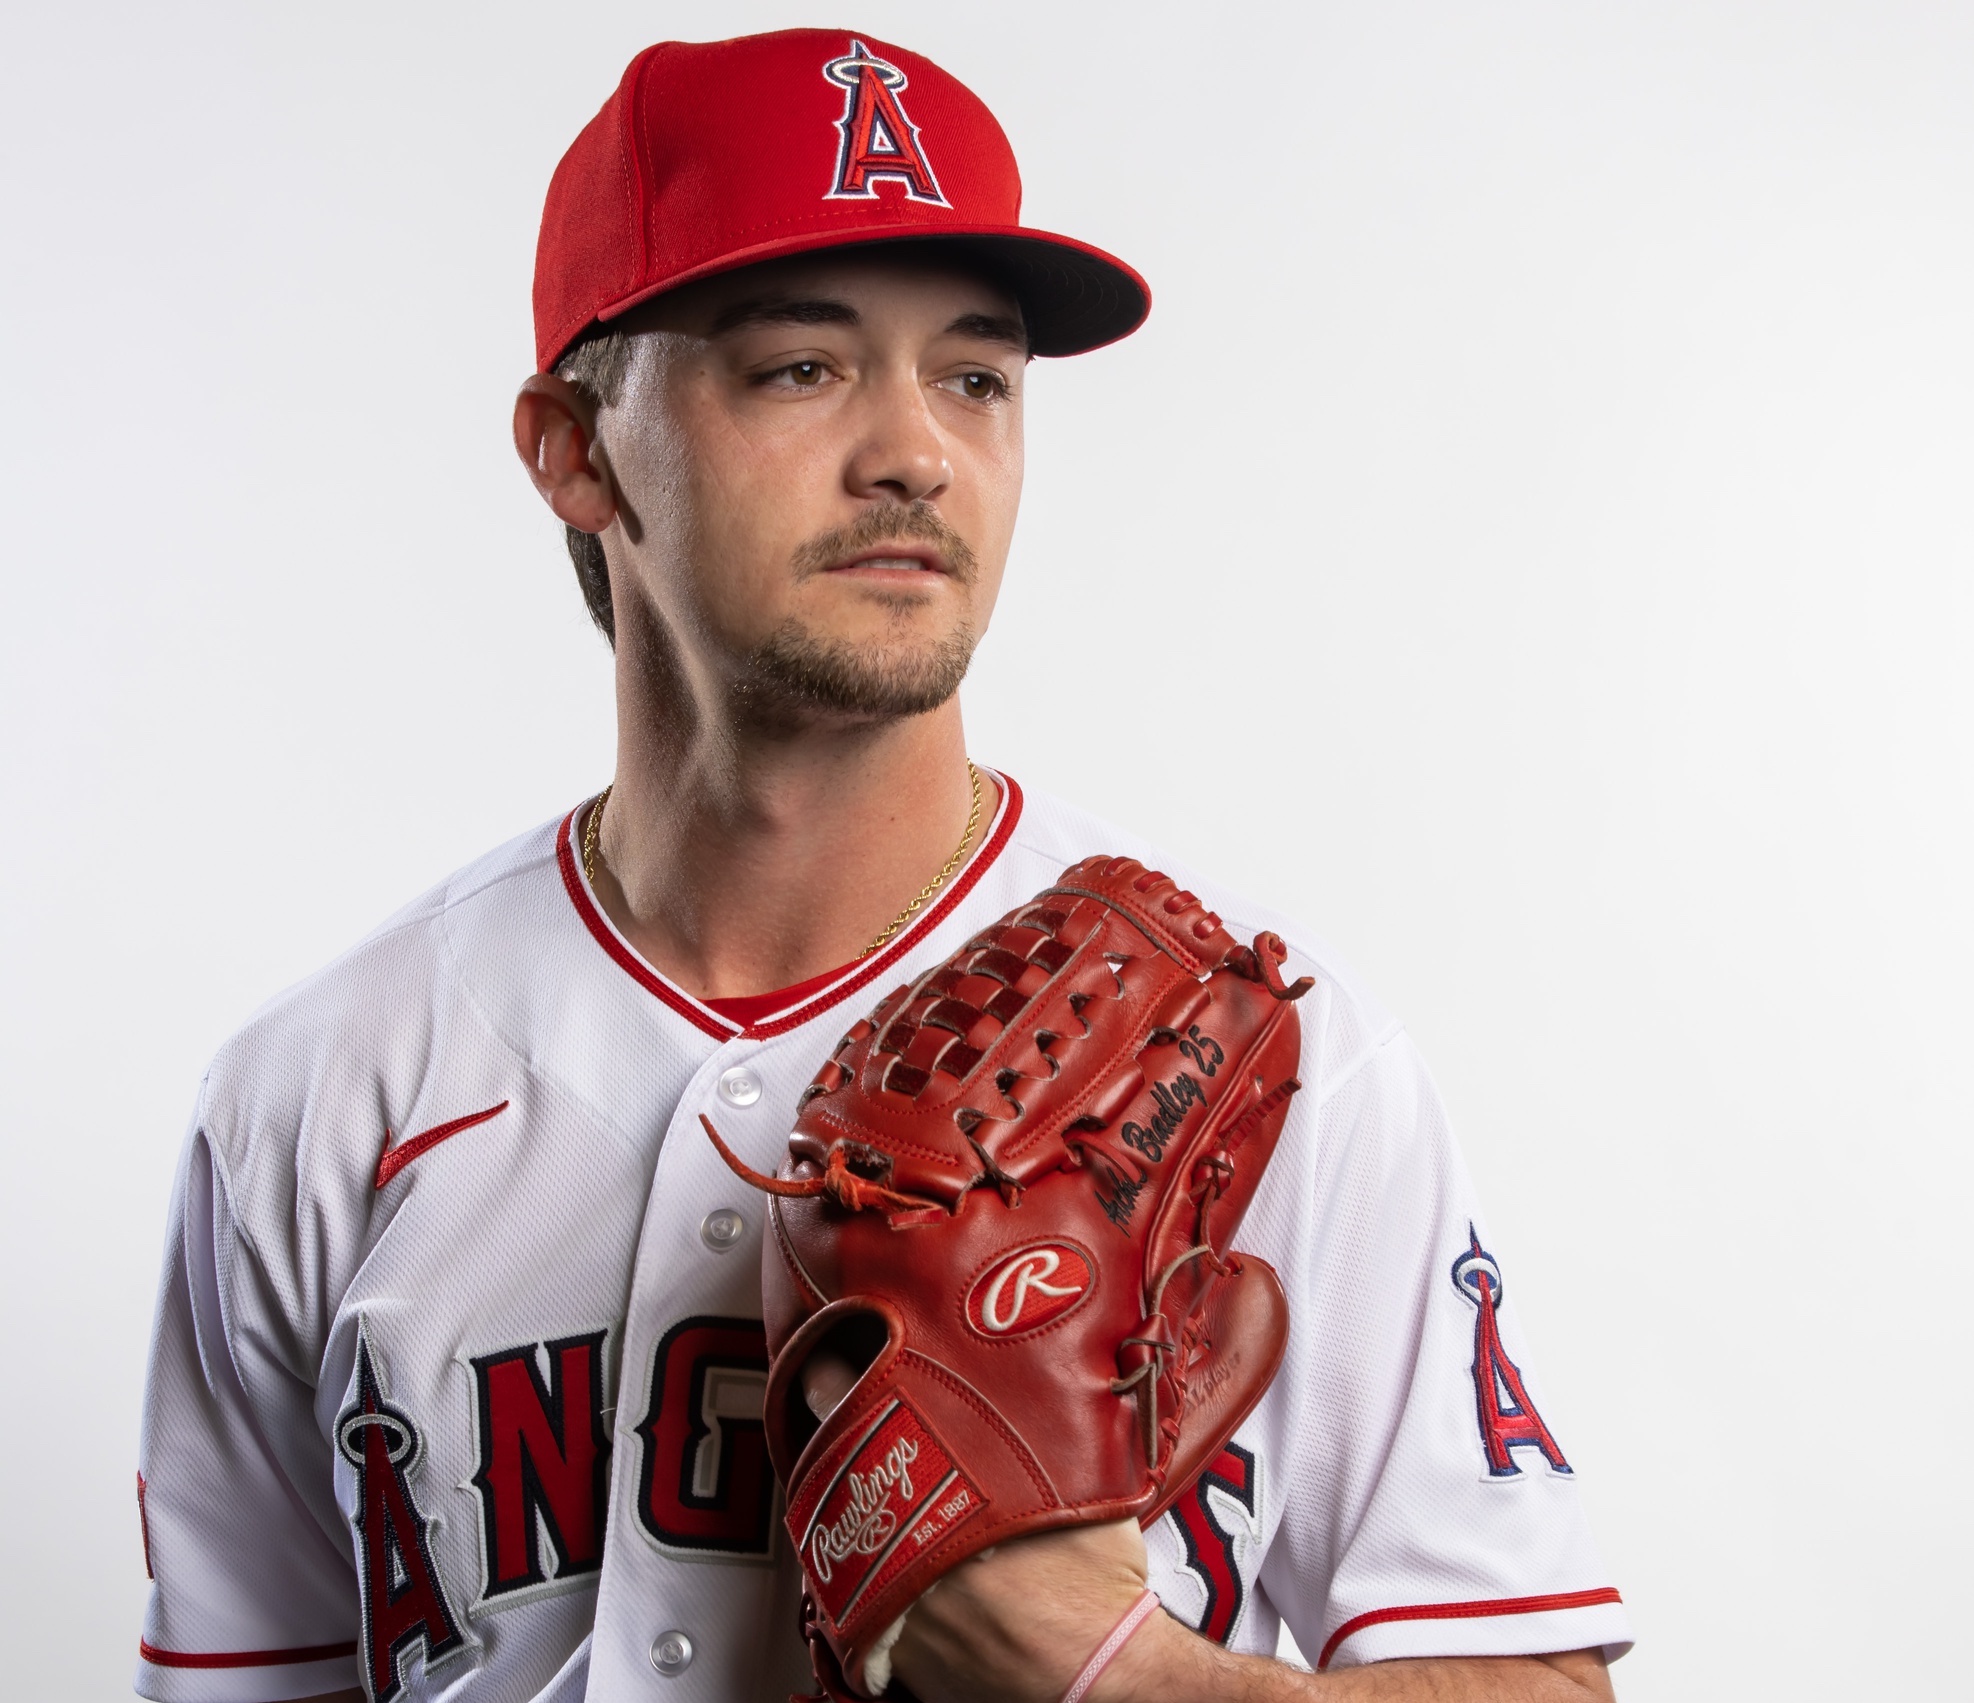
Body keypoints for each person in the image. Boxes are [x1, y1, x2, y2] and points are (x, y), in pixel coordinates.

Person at [133, 28, 1631, 1703]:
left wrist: (1128, 1683)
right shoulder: (316, 1096)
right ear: (572, 445)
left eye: (976, 377)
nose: (916, 450)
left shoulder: (1263, 1067)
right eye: (801, 366)